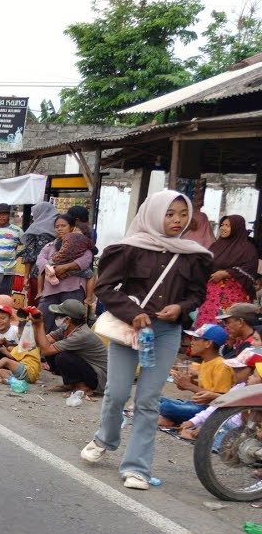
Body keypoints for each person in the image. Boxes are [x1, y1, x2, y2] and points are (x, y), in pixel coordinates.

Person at [80, 190, 211, 490]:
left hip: (165, 333)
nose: (177, 220)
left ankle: (137, 466)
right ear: (154, 214)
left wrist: (181, 307)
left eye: (182, 214)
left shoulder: (193, 255)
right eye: (169, 213)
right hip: (130, 330)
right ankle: (105, 438)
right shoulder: (130, 248)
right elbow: (105, 287)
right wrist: (133, 312)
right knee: (116, 393)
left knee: (148, 399)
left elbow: (197, 294)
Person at [30, 299, 109, 397]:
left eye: (59, 314)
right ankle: (71, 384)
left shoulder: (82, 334)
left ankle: (84, 388)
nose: (56, 316)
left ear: (68, 319)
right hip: (89, 370)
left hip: (99, 378)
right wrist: (35, 324)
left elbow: (46, 350)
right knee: (56, 353)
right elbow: (42, 342)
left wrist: (40, 324)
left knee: (62, 356)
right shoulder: (67, 328)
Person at [157, 324, 231, 428]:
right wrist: (184, 382)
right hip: (195, 405)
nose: (191, 342)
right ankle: (169, 419)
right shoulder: (206, 362)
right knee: (157, 399)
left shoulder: (222, 365)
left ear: (208, 343)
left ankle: (172, 420)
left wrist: (189, 386)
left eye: (196, 339)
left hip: (208, 411)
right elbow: (203, 387)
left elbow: (219, 400)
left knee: (166, 407)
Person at [192, 214, 258, 330]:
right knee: (206, 323)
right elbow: (205, 264)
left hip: (234, 296)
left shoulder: (248, 249)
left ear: (237, 228)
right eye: (222, 225)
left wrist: (227, 273)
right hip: (212, 295)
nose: (223, 228)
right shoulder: (216, 246)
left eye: (228, 225)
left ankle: (228, 348)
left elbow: (249, 269)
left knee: (229, 325)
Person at [34, 214, 94, 320]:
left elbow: (86, 259)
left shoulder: (80, 244)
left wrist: (65, 267)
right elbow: (40, 260)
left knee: (71, 322)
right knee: (43, 320)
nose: (60, 229)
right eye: (57, 227)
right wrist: (52, 269)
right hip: (50, 290)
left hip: (72, 289)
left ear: (71, 227)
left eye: (63, 226)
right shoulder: (50, 246)